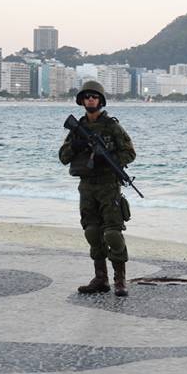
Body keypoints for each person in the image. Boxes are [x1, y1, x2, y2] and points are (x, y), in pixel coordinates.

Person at [58, 80, 136, 296]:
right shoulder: (78, 129)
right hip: (87, 187)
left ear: (100, 101)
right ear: (82, 101)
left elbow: (130, 153)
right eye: (87, 97)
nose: (91, 99)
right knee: (92, 231)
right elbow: (63, 157)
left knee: (112, 233)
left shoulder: (112, 126)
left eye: (94, 97)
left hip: (108, 185)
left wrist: (107, 158)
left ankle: (119, 279)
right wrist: (77, 145)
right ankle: (100, 279)